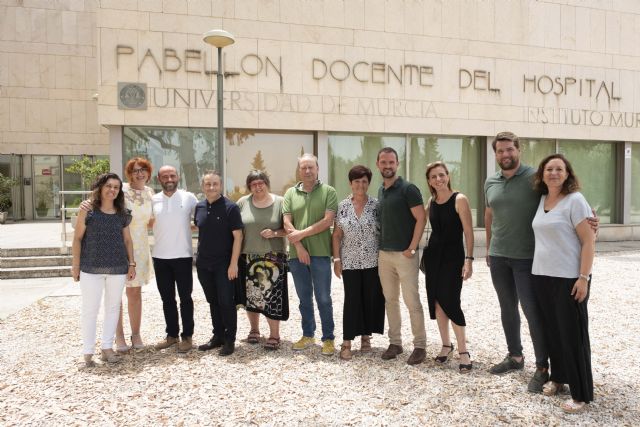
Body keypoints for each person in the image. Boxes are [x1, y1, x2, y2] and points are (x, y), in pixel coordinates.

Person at [484, 131, 597, 393]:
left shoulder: (536, 178)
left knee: (533, 313)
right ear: (495, 154)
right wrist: (489, 247)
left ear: (518, 150)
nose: (505, 154)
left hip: (528, 259)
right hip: (499, 256)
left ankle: (542, 367)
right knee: (507, 309)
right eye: (500, 151)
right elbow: (490, 214)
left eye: (509, 149)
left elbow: (564, 198)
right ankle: (515, 356)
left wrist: (592, 221)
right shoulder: (490, 181)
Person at [531, 154, 595, 413]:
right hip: (542, 276)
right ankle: (558, 378)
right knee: (552, 332)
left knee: (572, 335)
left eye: (559, 169)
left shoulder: (575, 200)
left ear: (567, 173)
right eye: (549, 169)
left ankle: (581, 394)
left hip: (569, 277)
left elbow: (589, 241)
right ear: (542, 174)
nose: (554, 173)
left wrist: (584, 278)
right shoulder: (542, 200)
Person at [71, 172, 135, 367]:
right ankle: (88, 351)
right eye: (108, 186)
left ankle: (107, 348)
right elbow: (77, 239)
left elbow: (127, 240)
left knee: (113, 307)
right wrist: (76, 265)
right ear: (100, 187)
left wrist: (131, 263)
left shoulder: (123, 213)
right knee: (90, 309)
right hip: (90, 267)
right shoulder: (88, 210)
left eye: (116, 187)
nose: (112, 190)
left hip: (117, 267)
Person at [376, 147, 427, 365]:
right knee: (390, 300)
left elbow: (421, 219)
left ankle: (420, 345)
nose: (388, 166)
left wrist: (412, 247)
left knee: (411, 301)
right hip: (384, 255)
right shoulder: (381, 190)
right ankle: (395, 343)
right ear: (378, 164)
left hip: (405, 255)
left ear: (397, 164)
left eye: (391, 162)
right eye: (384, 162)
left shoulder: (408, 189)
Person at [283, 153, 338, 356]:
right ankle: (308, 334)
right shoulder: (290, 193)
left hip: (321, 253)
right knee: (304, 298)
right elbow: (286, 222)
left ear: (317, 169)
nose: (307, 171)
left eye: (311, 167)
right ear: (299, 170)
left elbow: (327, 221)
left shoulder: (328, 191)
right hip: (297, 256)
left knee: (323, 298)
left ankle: (329, 338)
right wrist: (299, 246)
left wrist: (300, 234)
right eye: (303, 168)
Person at [422, 161, 474, 372]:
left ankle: (463, 351)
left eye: (441, 175)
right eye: (434, 177)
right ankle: (446, 345)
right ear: (429, 181)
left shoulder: (459, 199)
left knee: (451, 302)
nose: (438, 179)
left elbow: (469, 232)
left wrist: (469, 259)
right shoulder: (431, 201)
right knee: (436, 303)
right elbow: (416, 221)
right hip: (433, 257)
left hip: (453, 258)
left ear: (448, 175)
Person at [332, 165, 385, 361]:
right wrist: (337, 260)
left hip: (373, 261)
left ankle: (365, 337)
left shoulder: (377, 206)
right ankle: (346, 342)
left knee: (370, 298)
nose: (360, 185)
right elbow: (337, 235)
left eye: (364, 181)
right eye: (357, 181)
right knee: (352, 300)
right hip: (350, 262)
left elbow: (384, 232)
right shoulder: (343, 207)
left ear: (368, 183)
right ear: (350, 183)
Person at [236, 170, 288, 351]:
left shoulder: (281, 202)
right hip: (248, 255)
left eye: (261, 183)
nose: (257, 187)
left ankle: (274, 335)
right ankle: (254, 330)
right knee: (252, 297)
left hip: (273, 256)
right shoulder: (243, 202)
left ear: (267, 183)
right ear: (249, 186)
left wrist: (275, 233)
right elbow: (235, 229)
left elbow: (289, 229)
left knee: (272, 297)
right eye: (253, 184)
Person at [194, 171, 244, 356]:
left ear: (220, 186)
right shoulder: (199, 206)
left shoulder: (231, 207)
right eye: (208, 184)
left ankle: (230, 340)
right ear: (203, 187)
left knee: (226, 302)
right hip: (204, 265)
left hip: (224, 265)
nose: (211, 187)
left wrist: (233, 264)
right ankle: (218, 336)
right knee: (213, 301)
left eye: (215, 184)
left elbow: (238, 237)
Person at [152, 165, 198, 353]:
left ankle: (187, 337)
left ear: (178, 177)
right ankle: (171, 335)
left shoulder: (189, 198)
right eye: (165, 176)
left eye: (172, 175)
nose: (169, 179)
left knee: (185, 298)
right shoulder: (152, 199)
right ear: (159, 179)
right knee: (167, 299)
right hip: (160, 257)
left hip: (183, 255)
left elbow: (201, 220)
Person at [115, 157, 155, 351]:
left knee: (135, 292)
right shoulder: (120, 190)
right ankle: (118, 336)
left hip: (140, 246)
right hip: (119, 245)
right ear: (129, 174)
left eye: (143, 170)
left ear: (148, 173)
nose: (139, 173)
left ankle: (136, 333)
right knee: (115, 293)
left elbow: (152, 220)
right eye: (135, 170)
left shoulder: (149, 193)